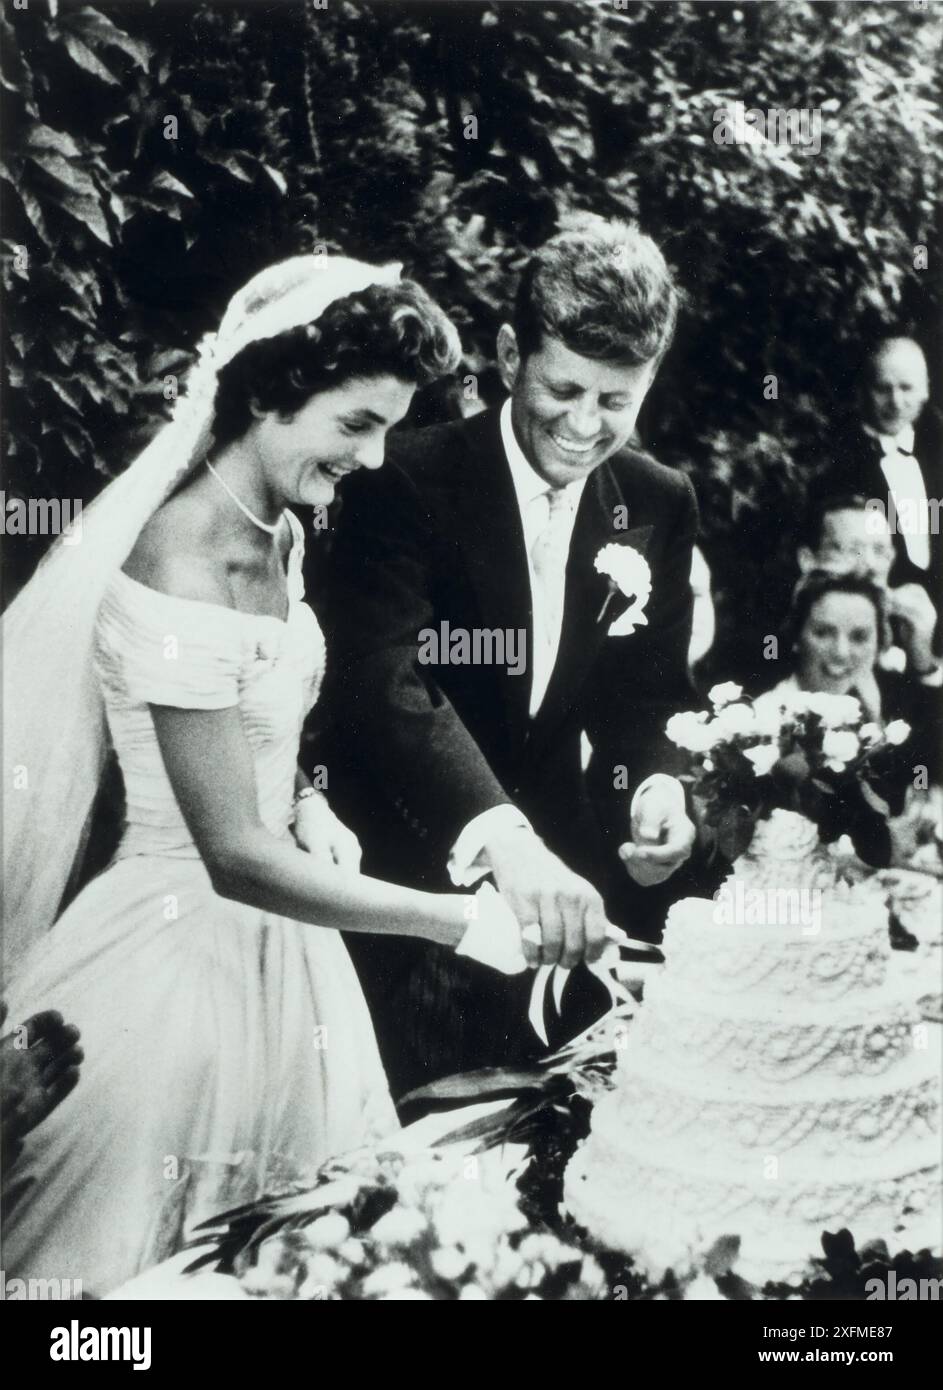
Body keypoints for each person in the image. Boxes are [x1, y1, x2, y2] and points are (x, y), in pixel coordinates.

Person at [0, 256, 529, 1296]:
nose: (373, 458)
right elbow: (232, 856)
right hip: (167, 964)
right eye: (354, 423)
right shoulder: (178, 560)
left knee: (309, 1250)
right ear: (269, 394)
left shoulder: (279, 529)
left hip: (286, 955)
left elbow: (257, 728)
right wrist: (455, 920)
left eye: (388, 428)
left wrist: (305, 796)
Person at [315, 217, 698, 1095]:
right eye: (563, 389)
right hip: (399, 903)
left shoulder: (657, 500)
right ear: (508, 353)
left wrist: (659, 788)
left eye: (615, 401)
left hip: (559, 920)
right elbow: (382, 678)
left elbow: (650, 700)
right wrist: (504, 843)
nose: (583, 424)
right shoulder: (401, 476)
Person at [761, 571, 940, 845]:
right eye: (823, 633)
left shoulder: (884, 703)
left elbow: (930, 768)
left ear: (880, 645)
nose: (842, 652)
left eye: (859, 637)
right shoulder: (767, 716)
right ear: (797, 637)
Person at [820, 336, 942, 614]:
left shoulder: (938, 450)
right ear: (864, 391)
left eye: (906, 388)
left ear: (925, 391)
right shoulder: (840, 466)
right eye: (883, 389)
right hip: (876, 616)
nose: (895, 402)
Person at [796, 492, 941, 687]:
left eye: (880, 551)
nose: (870, 565)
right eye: (853, 550)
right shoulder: (772, 637)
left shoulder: (899, 633)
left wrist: (921, 658)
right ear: (808, 560)